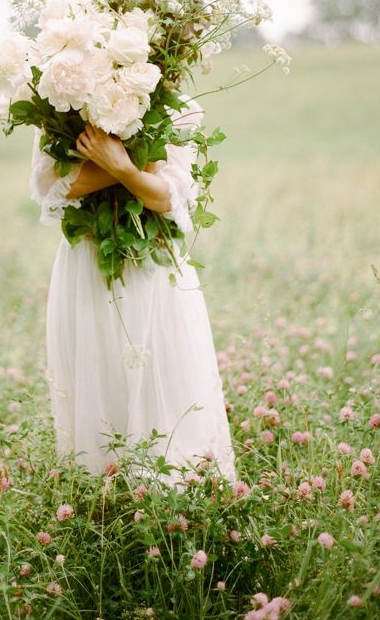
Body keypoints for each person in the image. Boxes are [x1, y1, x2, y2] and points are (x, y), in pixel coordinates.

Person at [29, 93, 237, 489]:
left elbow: (166, 196)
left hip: (153, 265)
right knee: (99, 381)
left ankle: (179, 505)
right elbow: (47, 185)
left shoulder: (178, 105)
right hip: (88, 259)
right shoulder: (61, 101)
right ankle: (100, 503)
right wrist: (140, 164)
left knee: (169, 385)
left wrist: (119, 163)